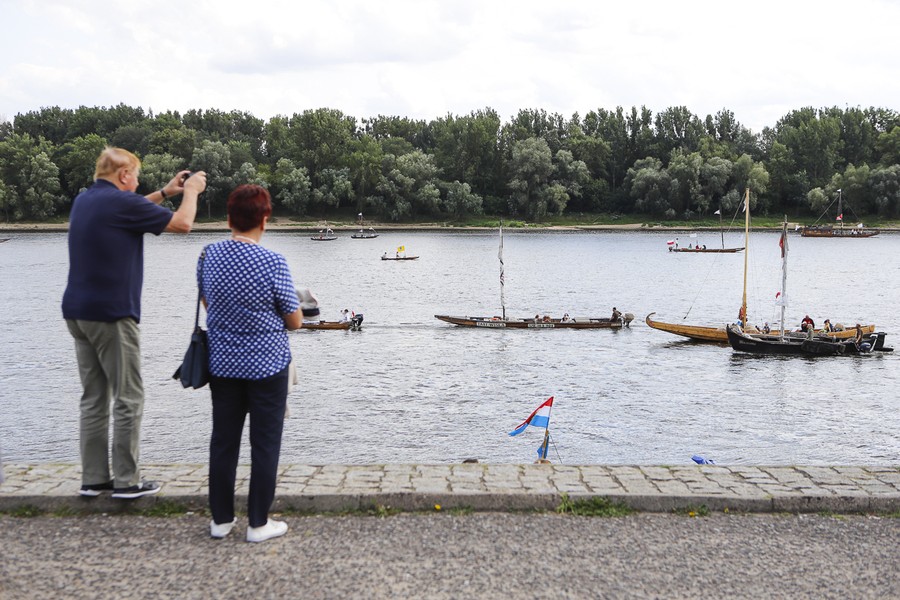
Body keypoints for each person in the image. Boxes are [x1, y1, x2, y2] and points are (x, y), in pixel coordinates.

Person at [62, 147, 206, 499]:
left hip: (77, 313)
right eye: (136, 175)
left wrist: (165, 192)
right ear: (124, 174)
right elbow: (183, 224)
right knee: (129, 396)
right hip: (111, 315)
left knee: (94, 398)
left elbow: (134, 208)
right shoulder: (122, 204)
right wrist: (191, 192)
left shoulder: (85, 201)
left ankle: (94, 479)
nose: (138, 182)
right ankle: (127, 481)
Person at [200, 184, 307, 543]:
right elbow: (294, 321)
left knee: (223, 441)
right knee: (264, 444)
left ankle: (220, 520)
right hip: (267, 365)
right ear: (265, 219)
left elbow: (208, 305)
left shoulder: (208, 255)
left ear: (228, 218)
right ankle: (258, 523)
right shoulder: (273, 261)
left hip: (223, 363)